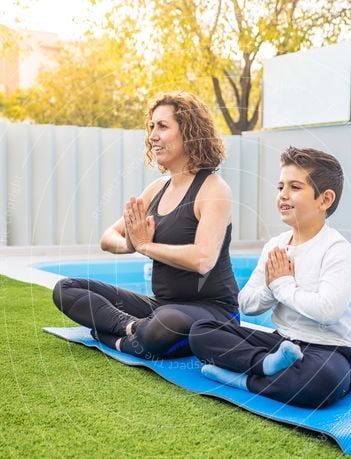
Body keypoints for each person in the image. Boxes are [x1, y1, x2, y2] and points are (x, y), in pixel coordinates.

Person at [52, 91, 239, 359]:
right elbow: (108, 237)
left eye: (163, 126)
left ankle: (112, 336)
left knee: (163, 327)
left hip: (213, 310)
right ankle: (129, 328)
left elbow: (203, 259)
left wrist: (146, 245)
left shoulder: (213, 189)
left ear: (189, 132)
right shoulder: (156, 189)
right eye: (151, 126)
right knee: (66, 289)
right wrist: (129, 243)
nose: (152, 135)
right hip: (161, 306)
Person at [189, 147, 351, 408]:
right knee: (201, 331)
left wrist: (282, 286)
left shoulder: (336, 248)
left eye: (295, 187)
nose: (283, 195)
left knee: (318, 382)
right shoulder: (276, 245)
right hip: (282, 343)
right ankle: (266, 365)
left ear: (325, 199)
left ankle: (243, 380)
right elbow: (246, 303)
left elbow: (329, 311)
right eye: (280, 186)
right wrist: (271, 289)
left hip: (331, 349)